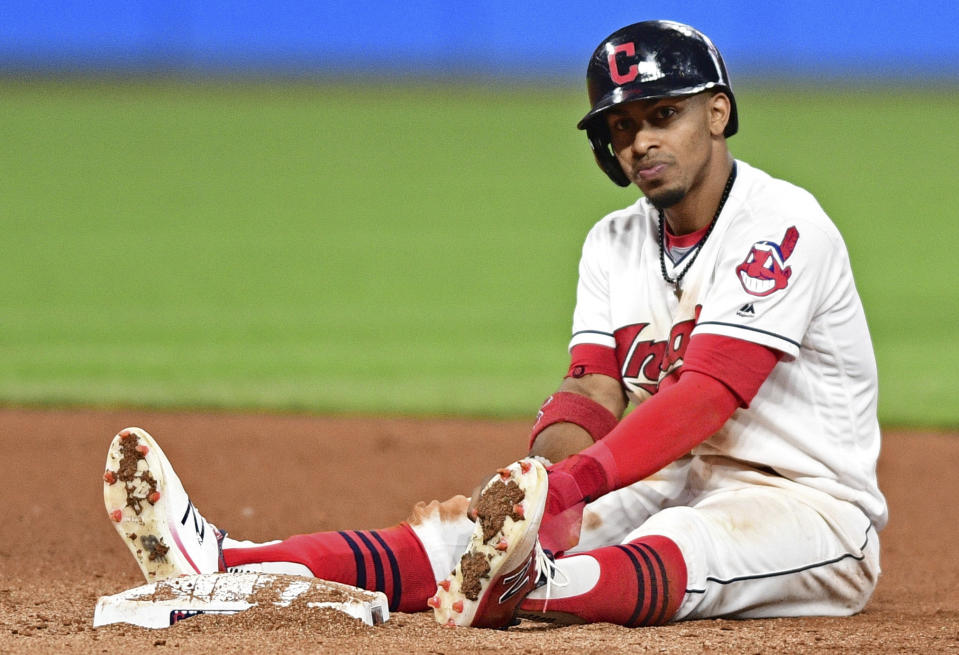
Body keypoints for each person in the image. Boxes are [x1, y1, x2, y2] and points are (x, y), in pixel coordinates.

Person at [103, 20, 886, 629]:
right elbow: (589, 390)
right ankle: (227, 562)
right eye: (620, 127)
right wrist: (539, 489)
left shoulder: (780, 224)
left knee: (693, 543)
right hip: (673, 475)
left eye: (662, 114)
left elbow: (709, 393)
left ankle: (530, 588)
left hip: (811, 507)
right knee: (467, 534)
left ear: (716, 112)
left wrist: (578, 484)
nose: (640, 139)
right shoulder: (613, 240)